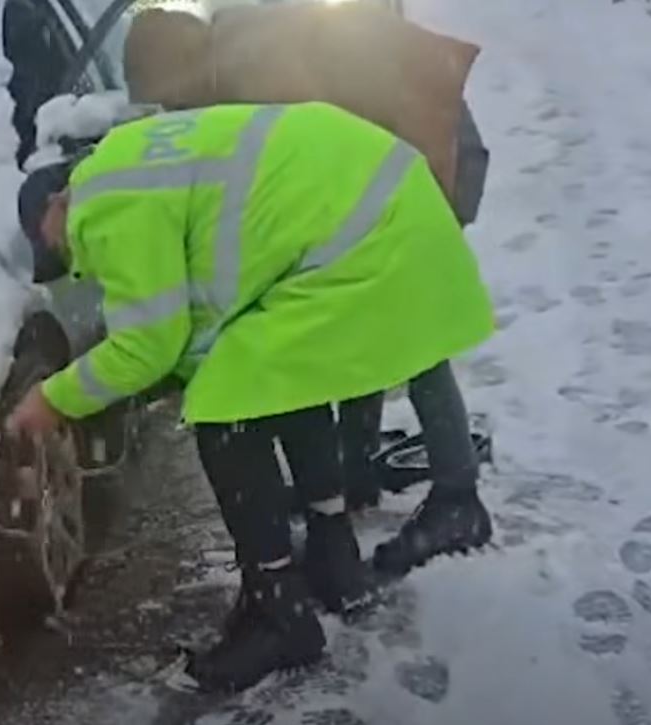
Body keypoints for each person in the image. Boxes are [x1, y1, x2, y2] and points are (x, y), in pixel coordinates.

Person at [5, 101, 494, 692]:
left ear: (56, 204)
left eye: (50, 244)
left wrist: (51, 401)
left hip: (359, 238)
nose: (64, 260)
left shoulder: (101, 205)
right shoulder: (134, 159)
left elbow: (148, 346)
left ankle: (278, 611)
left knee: (224, 409)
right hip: (384, 210)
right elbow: (202, 318)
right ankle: (334, 556)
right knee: (274, 373)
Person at [122, 3, 495, 574]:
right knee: (355, 313)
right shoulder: (233, 55)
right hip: (395, 149)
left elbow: (311, 180)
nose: (176, 113)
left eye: (172, 100)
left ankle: (457, 497)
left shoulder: (256, 70)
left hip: (430, 146)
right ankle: (356, 471)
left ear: (183, 69)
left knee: (402, 325)